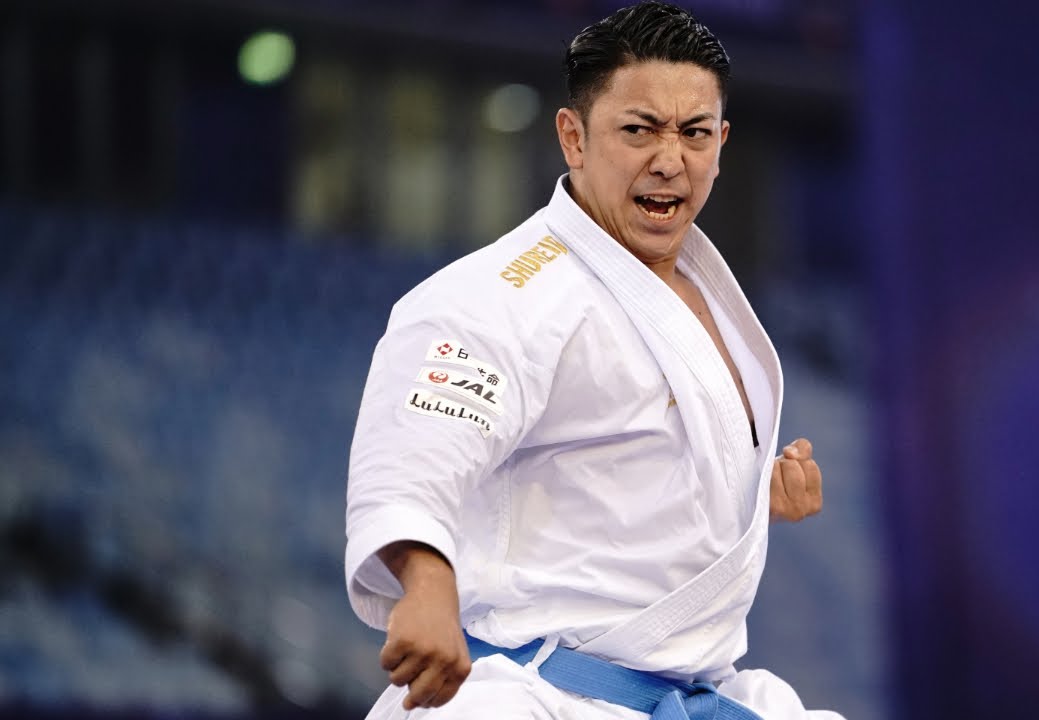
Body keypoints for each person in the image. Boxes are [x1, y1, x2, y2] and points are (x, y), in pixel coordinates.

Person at [345, 3, 843, 717]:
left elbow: (620, 465)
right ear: (573, 138)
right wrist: (426, 589)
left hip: (692, 691)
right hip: (534, 695)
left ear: (721, 142)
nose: (669, 159)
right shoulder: (499, 294)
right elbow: (414, 457)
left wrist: (749, 488)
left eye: (694, 132)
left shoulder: (701, 290)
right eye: (639, 129)